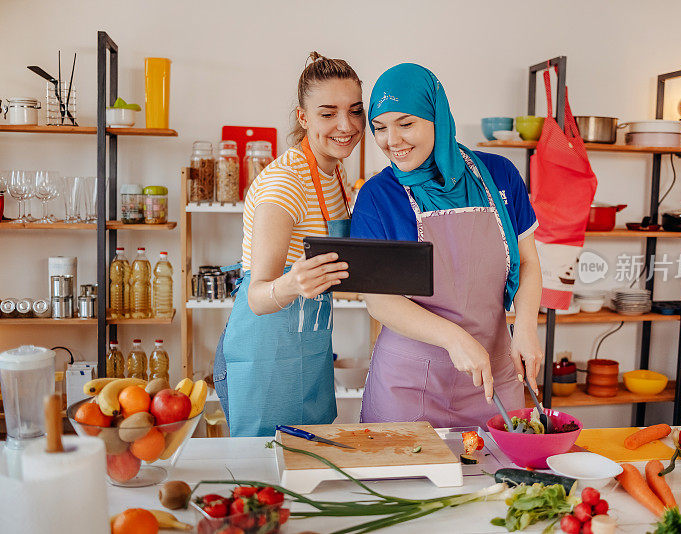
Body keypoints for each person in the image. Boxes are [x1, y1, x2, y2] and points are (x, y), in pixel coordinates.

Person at [351, 63, 545, 429]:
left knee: (501, 482)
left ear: (437, 116)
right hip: (408, 385)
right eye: (379, 127)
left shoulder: (499, 175)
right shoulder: (378, 197)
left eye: (406, 123)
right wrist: (454, 338)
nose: (392, 140)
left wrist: (527, 327)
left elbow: (529, 263)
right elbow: (380, 300)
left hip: (493, 375)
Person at [213, 52, 365, 437]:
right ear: (303, 118)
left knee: (307, 470)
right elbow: (258, 297)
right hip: (265, 356)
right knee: (265, 476)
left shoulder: (336, 174)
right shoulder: (285, 183)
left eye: (355, 111)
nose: (345, 125)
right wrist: (295, 282)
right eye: (327, 113)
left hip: (309, 351)